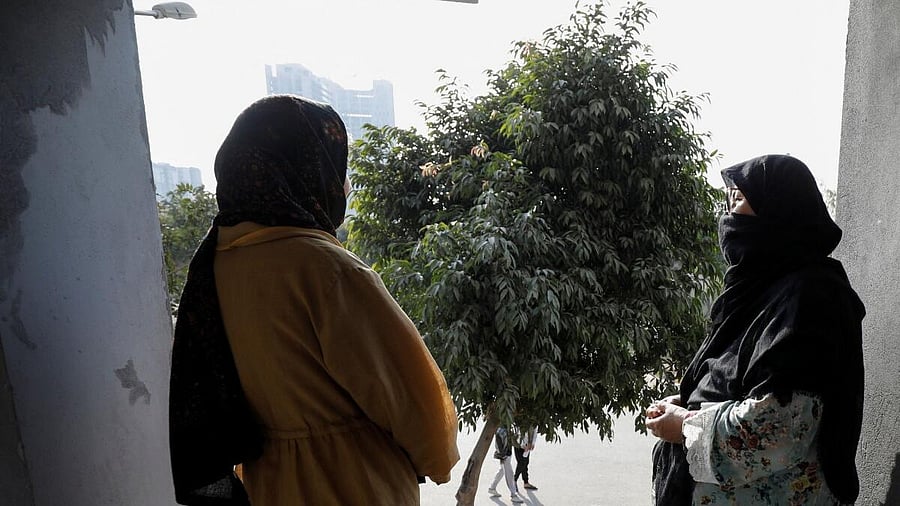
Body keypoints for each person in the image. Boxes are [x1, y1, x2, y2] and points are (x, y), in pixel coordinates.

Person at [169, 94, 460, 506]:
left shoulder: (215, 265)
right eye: (337, 166)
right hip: (355, 483)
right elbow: (416, 403)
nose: (344, 184)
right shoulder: (326, 268)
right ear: (306, 168)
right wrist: (437, 461)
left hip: (268, 483)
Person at [646, 154, 865, 505]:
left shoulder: (812, 296)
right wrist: (689, 402)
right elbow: (730, 375)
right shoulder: (761, 291)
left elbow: (780, 428)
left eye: (740, 199)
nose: (728, 214)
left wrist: (686, 425)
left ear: (778, 208)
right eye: (728, 199)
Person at [488, 426, 525, 503]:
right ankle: (513, 495)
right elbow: (498, 443)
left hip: (507, 454)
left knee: (502, 471)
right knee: (509, 474)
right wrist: (502, 455)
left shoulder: (508, 428)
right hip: (504, 455)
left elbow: (511, 441)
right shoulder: (500, 430)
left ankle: (492, 487)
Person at [514, 426, 538, 491]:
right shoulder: (522, 420)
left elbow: (535, 433)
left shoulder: (534, 423)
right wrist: (524, 445)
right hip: (518, 444)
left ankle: (526, 482)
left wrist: (532, 443)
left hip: (528, 445)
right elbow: (518, 432)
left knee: (525, 463)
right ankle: (514, 480)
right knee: (521, 463)